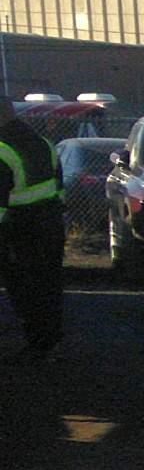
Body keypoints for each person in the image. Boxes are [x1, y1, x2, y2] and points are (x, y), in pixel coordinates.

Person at [0, 107, 66, 359]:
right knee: (49, 283)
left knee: (24, 287)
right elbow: (59, 184)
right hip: (50, 221)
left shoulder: (2, 150)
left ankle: (37, 341)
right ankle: (50, 337)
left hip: (20, 227)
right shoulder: (44, 144)